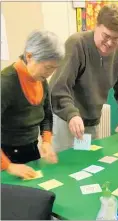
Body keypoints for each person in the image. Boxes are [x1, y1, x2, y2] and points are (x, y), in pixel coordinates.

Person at [49, 4, 118, 152]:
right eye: (106, 36)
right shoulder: (77, 44)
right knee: (65, 169)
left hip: (91, 122)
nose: (109, 43)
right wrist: (72, 114)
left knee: (86, 164)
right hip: (66, 120)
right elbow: (58, 87)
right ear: (96, 26)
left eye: (115, 39)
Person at [1, 30, 64, 179]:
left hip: (30, 149)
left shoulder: (41, 79)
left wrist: (47, 142)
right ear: (29, 56)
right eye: (48, 67)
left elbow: (46, 115)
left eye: (54, 69)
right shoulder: (6, 83)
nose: (50, 74)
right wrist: (7, 165)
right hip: (6, 155)